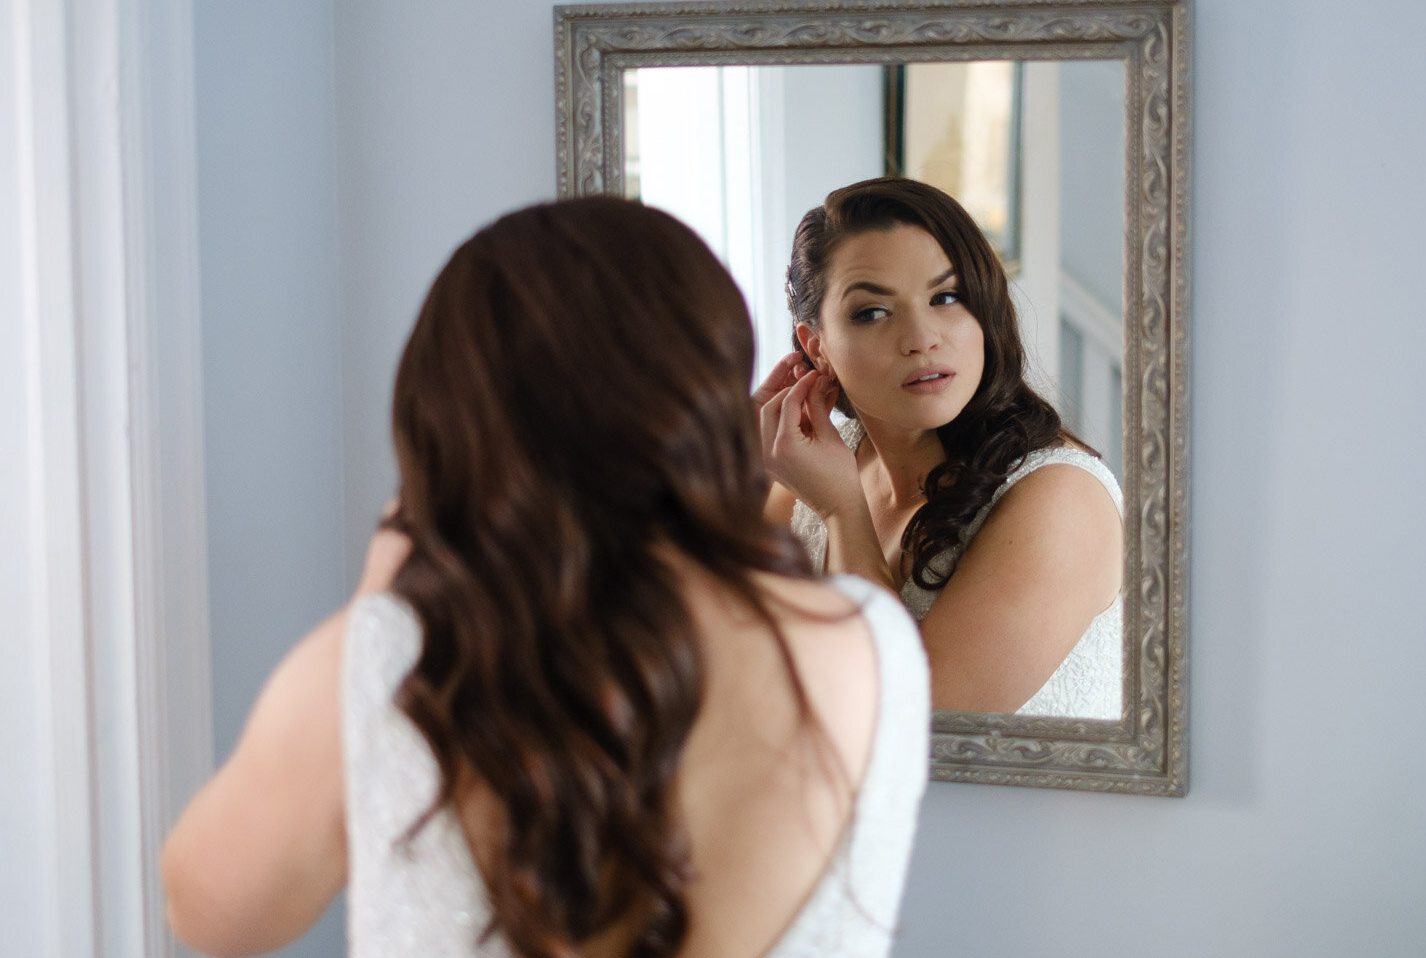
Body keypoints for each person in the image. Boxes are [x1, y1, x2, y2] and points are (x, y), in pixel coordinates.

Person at [161, 198, 929, 958]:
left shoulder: (394, 654)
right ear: (708, 382)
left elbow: (206, 913)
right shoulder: (868, 642)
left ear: (454, 406)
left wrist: (376, 604)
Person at [756, 177, 1124, 718]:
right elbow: (719, 644)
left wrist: (843, 512)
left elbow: (917, 726)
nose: (921, 338)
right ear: (818, 347)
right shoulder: (821, 464)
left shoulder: (1062, 499)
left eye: (946, 297)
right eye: (872, 312)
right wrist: (736, 459)